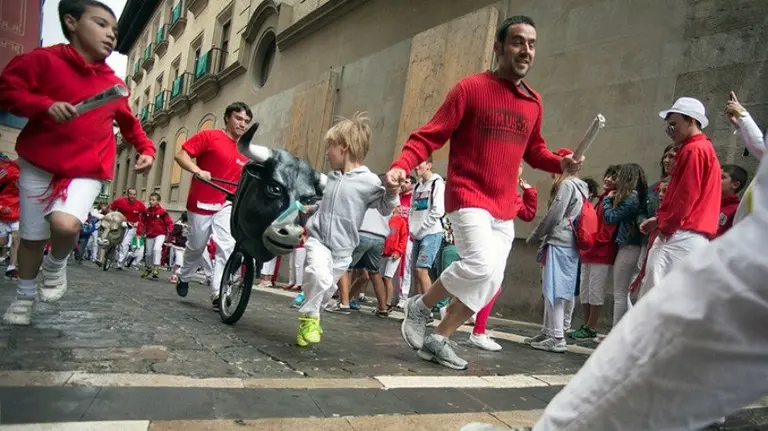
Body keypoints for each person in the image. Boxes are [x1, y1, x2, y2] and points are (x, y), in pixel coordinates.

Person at [531, 133, 768, 431]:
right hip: (699, 252)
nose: (672, 157)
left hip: (699, 251)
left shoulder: (698, 156)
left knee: (659, 329)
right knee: (651, 324)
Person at [385, 15, 583, 370]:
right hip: (468, 194)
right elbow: (428, 136)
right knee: (478, 265)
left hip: (504, 206)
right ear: (499, 47)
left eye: (532, 44)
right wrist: (402, 163)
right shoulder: (470, 89)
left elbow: (535, 151)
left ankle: (439, 338)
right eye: (518, 42)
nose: (526, 50)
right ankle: (421, 305)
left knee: (490, 280)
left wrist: (561, 163)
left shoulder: (533, 102)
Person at [0, 0, 155, 325]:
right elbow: (8, 91)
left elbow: (129, 123)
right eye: (101, 24)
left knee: (66, 224)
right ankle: (25, 296)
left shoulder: (114, 85)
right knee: (31, 239)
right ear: (71, 23)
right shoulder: (43, 61)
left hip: (87, 168)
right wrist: (43, 105)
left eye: (114, 29)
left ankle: (56, 266)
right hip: (38, 163)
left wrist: (146, 149)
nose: (111, 34)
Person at [296, 112, 398, 347]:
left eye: (330, 146)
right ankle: (309, 318)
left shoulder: (369, 181)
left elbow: (384, 208)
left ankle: (311, 317)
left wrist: (392, 191)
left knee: (327, 288)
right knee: (319, 276)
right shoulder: (332, 178)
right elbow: (329, 204)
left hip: (343, 249)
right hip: (319, 239)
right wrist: (312, 210)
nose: (326, 153)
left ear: (344, 148)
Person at [638, 97, 721, 298]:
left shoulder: (694, 150)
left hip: (680, 235)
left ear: (691, 120)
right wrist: (660, 221)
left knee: (656, 299)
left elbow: (685, 196)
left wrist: (665, 226)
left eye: (674, 124)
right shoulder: (700, 148)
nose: (670, 130)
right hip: (688, 234)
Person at [173, 102, 251, 308]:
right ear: (227, 118)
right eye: (238, 118)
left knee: (227, 246)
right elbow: (181, 155)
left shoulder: (246, 150)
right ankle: (184, 275)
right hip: (202, 200)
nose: (242, 124)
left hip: (227, 203)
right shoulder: (209, 136)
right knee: (197, 246)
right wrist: (197, 170)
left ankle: (218, 291)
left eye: (246, 121)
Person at [109, 188, 146, 268]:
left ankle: (119, 262)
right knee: (115, 241)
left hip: (132, 226)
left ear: (136, 195)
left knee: (124, 244)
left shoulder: (140, 204)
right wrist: (112, 217)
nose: (132, 196)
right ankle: (110, 258)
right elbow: (111, 208)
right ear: (127, 194)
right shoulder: (120, 201)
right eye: (131, 194)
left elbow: (145, 215)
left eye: (134, 194)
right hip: (120, 223)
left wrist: (139, 223)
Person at [141, 192, 174, 279]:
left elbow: (169, 223)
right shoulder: (146, 211)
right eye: (150, 200)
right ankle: (149, 267)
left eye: (153, 200)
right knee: (148, 253)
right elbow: (142, 222)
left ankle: (156, 266)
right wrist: (140, 231)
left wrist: (170, 232)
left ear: (158, 201)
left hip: (160, 233)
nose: (151, 202)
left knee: (156, 249)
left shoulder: (162, 212)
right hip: (149, 234)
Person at [0, 157, 20, 279]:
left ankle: (11, 268)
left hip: (18, 214)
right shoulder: (7, 170)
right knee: (3, 242)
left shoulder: (31, 174)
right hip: (3, 213)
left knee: (16, 239)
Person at [717, 164, 747, 237]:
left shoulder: (736, 211)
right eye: (715, 175)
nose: (716, 179)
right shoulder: (707, 201)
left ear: (735, 185)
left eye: (722, 177)